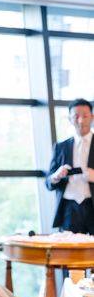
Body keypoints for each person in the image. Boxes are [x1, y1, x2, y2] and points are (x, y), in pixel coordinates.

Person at [46, 98, 94, 234]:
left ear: (92, 117)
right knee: (69, 246)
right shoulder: (61, 147)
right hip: (69, 208)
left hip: (92, 204)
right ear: (70, 119)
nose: (81, 121)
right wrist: (56, 176)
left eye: (85, 116)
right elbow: (48, 183)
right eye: (76, 116)